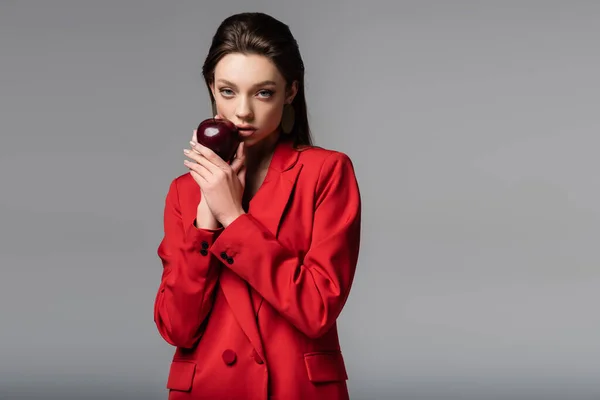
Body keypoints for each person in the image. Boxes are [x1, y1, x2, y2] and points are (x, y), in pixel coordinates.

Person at [153, 12, 361, 400]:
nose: (242, 111)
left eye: (262, 92)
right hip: (209, 388)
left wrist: (234, 217)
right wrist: (207, 215)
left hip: (293, 389)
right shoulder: (184, 191)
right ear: (211, 89)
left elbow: (317, 309)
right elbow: (177, 329)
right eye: (228, 91)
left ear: (291, 91)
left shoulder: (326, 172)